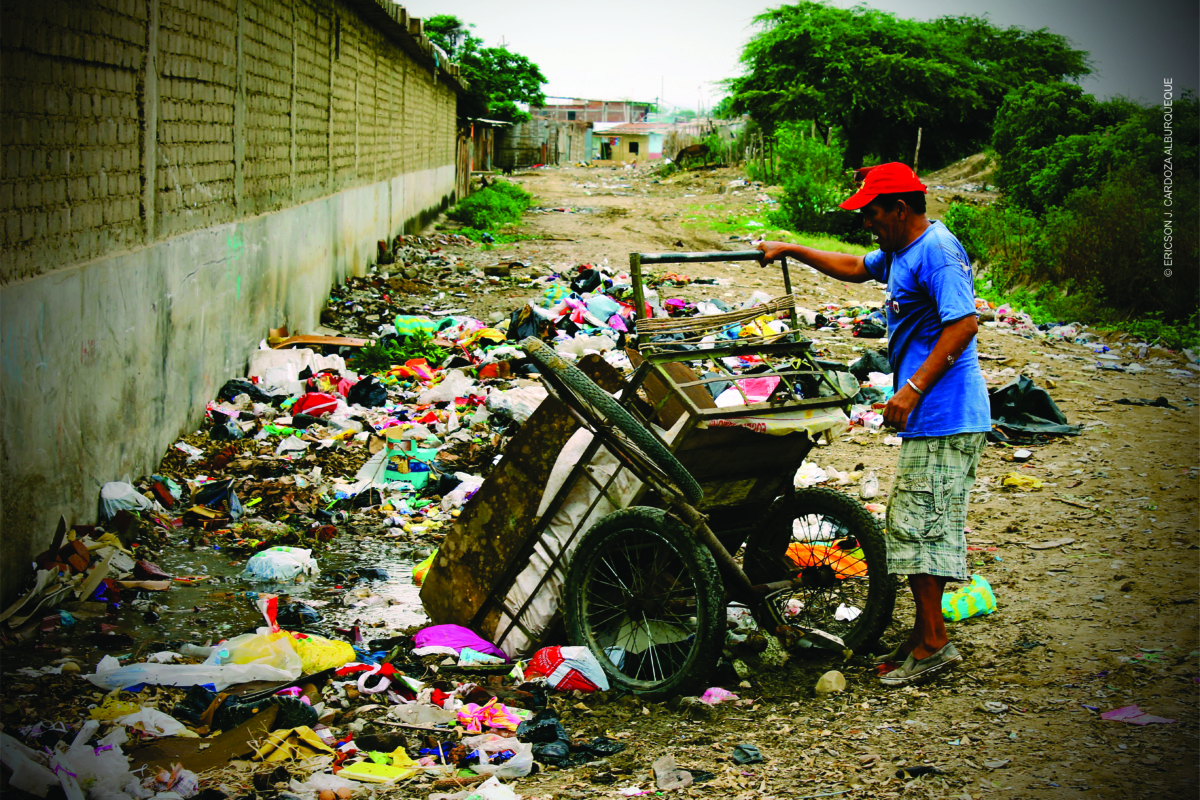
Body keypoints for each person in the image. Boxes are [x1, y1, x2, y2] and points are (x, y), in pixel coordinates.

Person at [756, 162, 990, 687]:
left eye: (873, 213)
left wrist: (912, 389)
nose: (867, 223)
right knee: (916, 525)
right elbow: (854, 267)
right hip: (932, 416)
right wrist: (790, 249)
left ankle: (933, 644)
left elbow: (963, 324)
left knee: (919, 526)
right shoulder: (902, 251)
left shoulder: (937, 251)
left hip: (947, 414)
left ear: (900, 209)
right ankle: (922, 635)